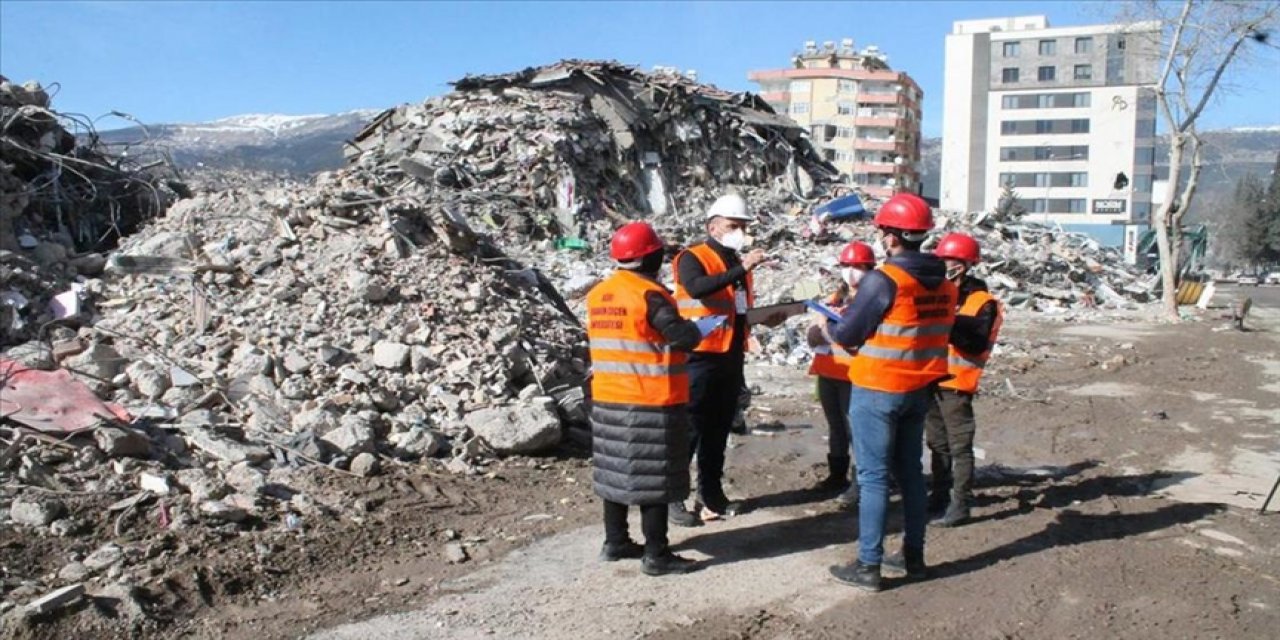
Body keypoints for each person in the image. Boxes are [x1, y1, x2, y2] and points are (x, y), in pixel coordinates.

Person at [827, 193, 958, 592]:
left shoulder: (885, 280)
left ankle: (869, 565)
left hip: (878, 387)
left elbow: (849, 333)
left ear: (890, 236)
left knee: (873, 478)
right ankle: (913, 557)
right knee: (911, 475)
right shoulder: (945, 283)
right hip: (918, 388)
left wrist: (828, 329)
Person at [587, 221, 703, 576]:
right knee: (656, 478)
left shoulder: (599, 294)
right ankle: (657, 555)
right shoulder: (649, 294)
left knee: (615, 472)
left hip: (607, 398)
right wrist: (697, 328)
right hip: (650, 400)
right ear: (652, 256)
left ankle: (616, 541)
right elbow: (681, 337)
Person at [670, 192, 779, 526]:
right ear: (713, 226)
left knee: (717, 430)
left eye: (743, 226)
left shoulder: (735, 262)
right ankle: (674, 497)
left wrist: (761, 320)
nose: (740, 232)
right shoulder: (693, 257)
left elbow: (736, 308)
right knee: (689, 428)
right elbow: (698, 288)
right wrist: (743, 267)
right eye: (734, 225)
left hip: (729, 356)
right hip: (698, 356)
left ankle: (712, 494)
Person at [926, 232, 1004, 528]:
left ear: (966, 264)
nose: (946, 265)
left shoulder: (982, 302)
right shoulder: (942, 295)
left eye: (951, 261)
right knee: (937, 443)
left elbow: (974, 342)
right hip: (932, 378)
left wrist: (946, 316)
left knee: (959, 447)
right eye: (942, 260)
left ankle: (960, 505)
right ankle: (938, 497)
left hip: (957, 384)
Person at [806, 241, 876, 499]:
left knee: (856, 430)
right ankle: (836, 476)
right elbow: (813, 336)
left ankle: (860, 483)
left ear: (869, 268)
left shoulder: (870, 301)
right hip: (828, 372)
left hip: (854, 375)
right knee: (836, 427)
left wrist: (829, 330)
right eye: (846, 265)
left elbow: (854, 337)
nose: (851, 271)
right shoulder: (832, 300)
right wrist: (826, 328)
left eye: (857, 266)